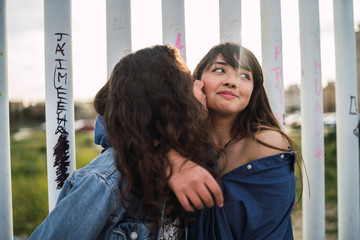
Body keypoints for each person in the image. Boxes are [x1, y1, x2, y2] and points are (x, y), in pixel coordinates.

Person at [29, 44, 222, 240]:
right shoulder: (105, 180)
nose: (199, 84)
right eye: (188, 81)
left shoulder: (187, 158)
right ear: (169, 99)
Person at [185, 42, 301, 239]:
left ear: (253, 91)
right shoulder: (182, 142)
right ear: (197, 82)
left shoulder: (266, 144)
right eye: (220, 70)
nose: (232, 81)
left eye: (244, 76)